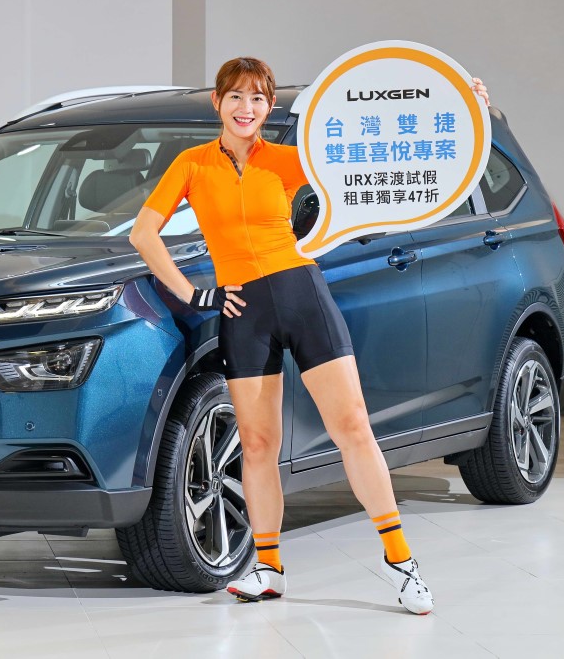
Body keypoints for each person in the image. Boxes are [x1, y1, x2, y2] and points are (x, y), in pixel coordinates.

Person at [129, 57, 488, 615]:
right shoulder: (192, 164)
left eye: (257, 98)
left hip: (302, 295)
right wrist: (194, 294)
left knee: (353, 429)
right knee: (257, 446)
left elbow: (384, 155)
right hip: (243, 309)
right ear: (217, 102)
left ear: (269, 106)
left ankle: (402, 563)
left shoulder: (288, 159)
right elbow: (143, 234)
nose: (246, 108)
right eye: (235, 96)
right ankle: (268, 569)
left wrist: (465, 109)